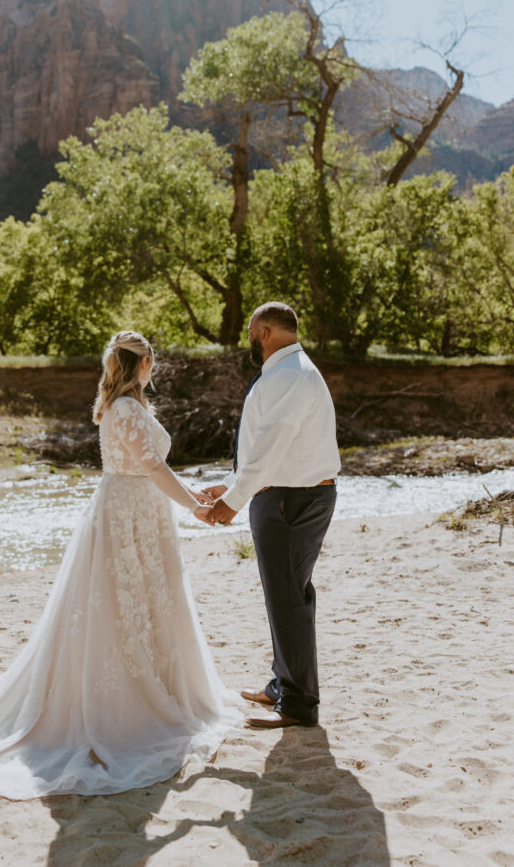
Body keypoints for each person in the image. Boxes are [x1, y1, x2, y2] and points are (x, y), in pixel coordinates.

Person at [0, 331, 241, 799]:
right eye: (151, 359)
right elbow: (152, 467)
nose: (153, 366)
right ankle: (124, 704)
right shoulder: (124, 408)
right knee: (123, 604)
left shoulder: (124, 406)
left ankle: (158, 682)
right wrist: (194, 507)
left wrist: (192, 493)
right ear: (143, 363)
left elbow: (155, 467)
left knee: (147, 598)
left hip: (138, 509)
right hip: (128, 513)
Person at [203, 302, 340, 729]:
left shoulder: (290, 375)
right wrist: (233, 486)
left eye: (249, 332)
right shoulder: (289, 371)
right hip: (288, 494)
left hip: (290, 500)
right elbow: (274, 449)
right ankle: (285, 684)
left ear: (263, 331)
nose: (247, 339)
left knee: (288, 599)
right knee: (287, 596)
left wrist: (234, 500)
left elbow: (273, 443)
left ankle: (299, 704)